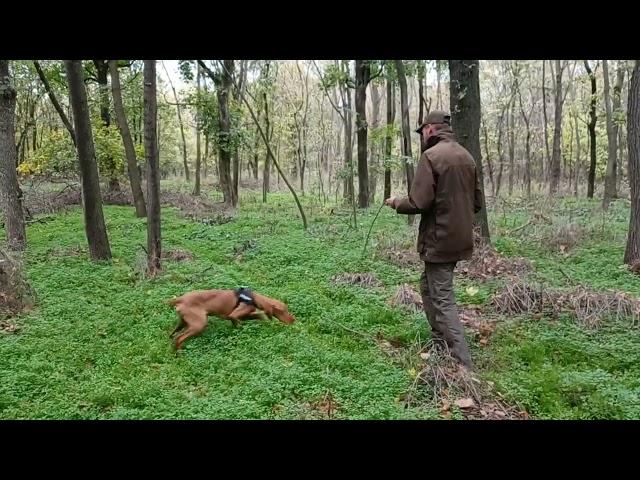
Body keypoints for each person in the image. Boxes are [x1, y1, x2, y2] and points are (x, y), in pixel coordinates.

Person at [384, 110, 483, 369]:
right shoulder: (467, 156)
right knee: (428, 288)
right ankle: (439, 344)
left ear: (430, 129)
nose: (422, 136)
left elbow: (419, 201)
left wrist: (396, 203)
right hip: (459, 240)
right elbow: (477, 203)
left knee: (442, 297)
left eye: (423, 131)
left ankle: (463, 364)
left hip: (439, 241)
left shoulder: (431, 156)